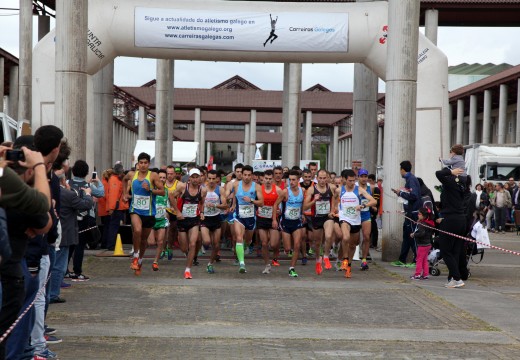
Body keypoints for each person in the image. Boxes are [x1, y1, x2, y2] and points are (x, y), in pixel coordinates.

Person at [123, 152, 165, 276]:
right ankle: (135, 256)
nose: (143, 165)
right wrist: (124, 193)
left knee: (144, 240)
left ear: (149, 164)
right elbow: (124, 180)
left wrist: (150, 190)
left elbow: (162, 192)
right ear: (138, 163)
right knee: (137, 230)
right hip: (135, 210)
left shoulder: (153, 176)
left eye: (145, 163)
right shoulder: (132, 174)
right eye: (141, 163)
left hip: (149, 212)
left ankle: (140, 260)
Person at [68, 160, 105, 281]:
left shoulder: (68, 183)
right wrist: (98, 181)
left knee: (69, 245)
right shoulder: (88, 186)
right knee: (80, 246)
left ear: (73, 171)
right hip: (84, 218)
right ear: (86, 173)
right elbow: (101, 193)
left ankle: (65, 270)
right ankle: (77, 272)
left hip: (70, 218)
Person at [335, 169, 376, 279]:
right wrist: (334, 210)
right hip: (345, 218)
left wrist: (363, 206)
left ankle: (348, 265)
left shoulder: (360, 190)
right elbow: (334, 200)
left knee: (353, 245)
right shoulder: (339, 190)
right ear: (345, 180)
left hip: (356, 220)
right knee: (345, 237)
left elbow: (373, 201)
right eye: (350, 181)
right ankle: (344, 259)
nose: (352, 183)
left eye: (353, 181)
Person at [436, 164, 467, 288]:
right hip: (461, 220)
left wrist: (449, 171)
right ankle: (452, 278)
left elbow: (438, 173)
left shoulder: (449, 182)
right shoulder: (462, 184)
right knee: (455, 251)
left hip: (451, 220)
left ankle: (457, 278)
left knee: (445, 250)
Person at [172, 168, 207, 279]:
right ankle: (187, 254)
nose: (195, 179)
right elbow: (170, 196)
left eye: (197, 177)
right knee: (184, 247)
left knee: (193, 243)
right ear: (190, 178)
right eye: (193, 177)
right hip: (182, 220)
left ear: (200, 178)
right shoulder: (182, 187)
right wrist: (177, 211)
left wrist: (201, 212)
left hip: (194, 220)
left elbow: (201, 202)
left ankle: (188, 270)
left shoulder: (203, 190)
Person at [303, 169, 337, 275]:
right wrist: (314, 200)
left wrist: (332, 211)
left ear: (327, 178)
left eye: (324, 178)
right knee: (317, 243)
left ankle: (326, 256)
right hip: (316, 218)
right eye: (320, 178)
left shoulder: (331, 187)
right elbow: (304, 207)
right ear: (316, 178)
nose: (322, 180)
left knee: (328, 236)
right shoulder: (311, 190)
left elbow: (336, 201)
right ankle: (318, 260)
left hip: (327, 217)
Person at [273, 170, 305, 277]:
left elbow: (302, 205)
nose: (291, 182)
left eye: (293, 180)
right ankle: (288, 249)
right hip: (286, 222)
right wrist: (274, 219)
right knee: (287, 249)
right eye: (290, 180)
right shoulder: (285, 192)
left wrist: (303, 214)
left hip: (297, 222)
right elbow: (275, 205)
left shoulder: (302, 191)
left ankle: (292, 268)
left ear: (298, 180)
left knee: (297, 245)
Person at [232, 165, 263, 273]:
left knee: (248, 240)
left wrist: (251, 200)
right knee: (239, 237)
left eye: (249, 175)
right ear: (242, 175)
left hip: (250, 217)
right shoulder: (236, 185)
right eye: (245, 175)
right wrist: (231, 204)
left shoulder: (257, 186)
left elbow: (261, 203)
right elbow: (234, 196)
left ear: (252, 176)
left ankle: (244, 246)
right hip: (239, 216)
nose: (246, 177)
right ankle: (242, 264)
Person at [390, 161, 421, 267]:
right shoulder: (409, 179)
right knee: (407, 236)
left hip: (413, 213)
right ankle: (402, 259)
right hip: (409, 212)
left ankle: (417, 260)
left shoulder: (411, 179)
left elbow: (414, 196)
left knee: (413, 236)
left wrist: (400, 193)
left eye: (400, 169)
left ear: (402, 170)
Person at [200, 170, 227, 274]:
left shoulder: (220, 190)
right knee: (207, 241)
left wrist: (215, 205)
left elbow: (225, 205)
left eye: (213, 178)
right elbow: (200, 203)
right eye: (209, 178)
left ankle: (210, 264)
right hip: (205, 218)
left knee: (216, 245)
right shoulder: (203, 189)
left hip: (216, 218)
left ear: (217, 179)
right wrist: (201, 212)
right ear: (207, 178)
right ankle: (203, 245)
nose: (211, 181)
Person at [256, 169, 282, 274]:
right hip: (261, 218)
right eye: (266, 179)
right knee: (264, 243)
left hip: (273, 219)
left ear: (273, 179)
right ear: (262, 179)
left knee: (274, 244)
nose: (268, 181)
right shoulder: (259, 189)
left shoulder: (278, 190)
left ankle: (276, 251)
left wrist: (279, 211)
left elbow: (284, 202)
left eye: (270, 179)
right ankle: (267, 264)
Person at [151, 169, 175, 271]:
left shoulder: (167, 192)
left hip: (162, 220)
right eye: (160, 177)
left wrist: (173, 209)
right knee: (151, 242)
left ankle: (155, 261)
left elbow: (173, 204)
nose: (162, 179)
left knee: (161, 241)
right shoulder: (151, 191)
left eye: (164, 177)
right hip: (151, 219)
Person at [106, 163, 129, 251]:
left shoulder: (114, 179)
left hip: (118, 207)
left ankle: (111, 244)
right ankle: (111, 245)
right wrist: (111, 208)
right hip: (117, 208)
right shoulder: (115, 180)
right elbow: (113, 195)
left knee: (113, 226)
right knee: (114, 226)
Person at [410, 208, 434, 280]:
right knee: (424, 260)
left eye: (419, 214)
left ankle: (417, 274)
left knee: (419, 260)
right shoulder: (428, 223)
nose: (418, 215)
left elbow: (421, 233)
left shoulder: (422, 224)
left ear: (424, 216)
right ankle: (425, 274)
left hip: (422, 245)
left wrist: (414, 235)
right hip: (428, 244)